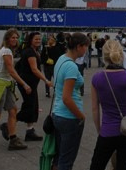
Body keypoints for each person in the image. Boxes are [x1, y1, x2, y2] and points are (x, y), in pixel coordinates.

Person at [89, 39, 126, 170]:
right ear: (121, 54)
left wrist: (99, 129)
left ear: (104, 56)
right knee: (124, 165)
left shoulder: (97, 78)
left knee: (97, 165)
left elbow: (95, 109)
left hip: (107, 130)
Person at [50, 33, 89, 170]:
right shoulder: (72, 67)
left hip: (57, 113)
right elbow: (67, 98)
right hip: (69, 117)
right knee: (66, 161)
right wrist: (80, 115)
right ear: (79, 46)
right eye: (86, 47)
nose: (86, 50)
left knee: (59, 157)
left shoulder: (61, 59)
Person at [15, 32, 52, 141]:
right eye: (36, 39)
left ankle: (30, 130)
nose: (38, 41)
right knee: (29, 107)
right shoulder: (30, 52)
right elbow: (34, 70)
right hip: (27, 84)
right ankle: (8, 125)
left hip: (31, 84)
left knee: (33, 106)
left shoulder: (34, 51)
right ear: (30, 40)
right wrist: (46, 80)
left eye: (39, 39)